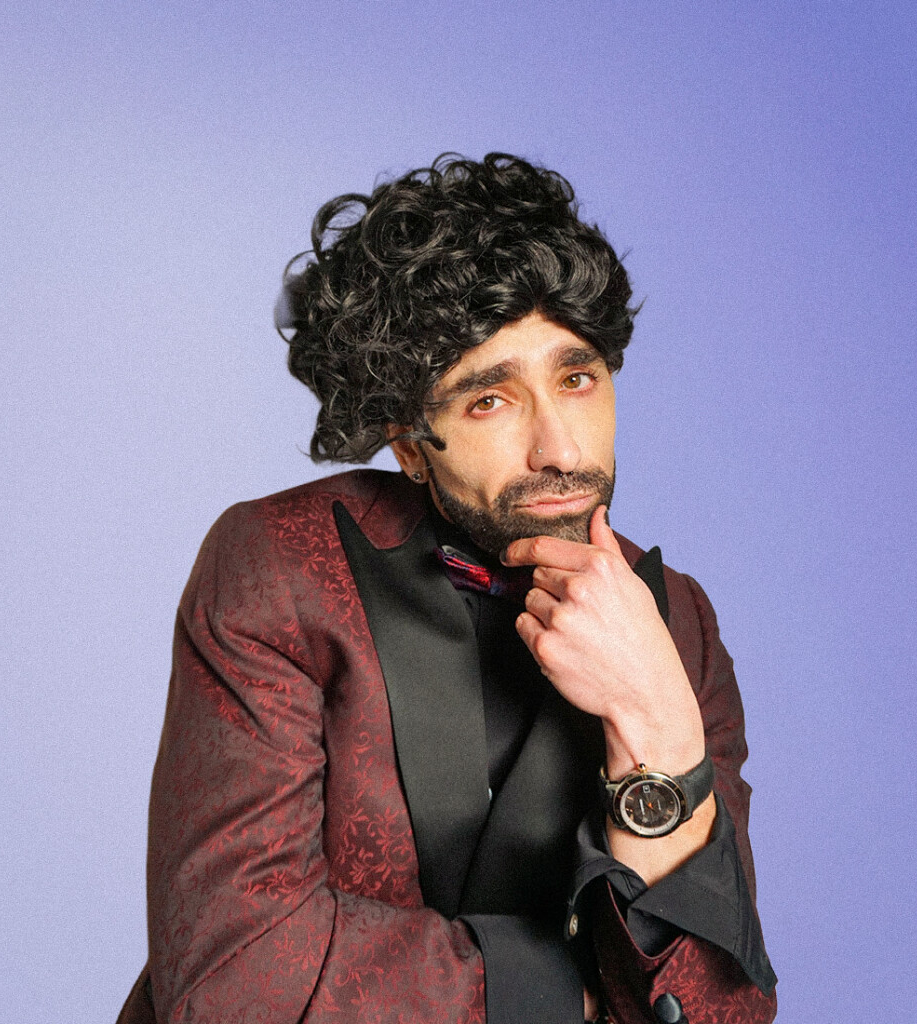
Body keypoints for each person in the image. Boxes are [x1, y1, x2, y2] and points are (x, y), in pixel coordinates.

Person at [117, 153, 777, 1024]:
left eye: (577, 379)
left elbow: (718, 1008)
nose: (559, 448)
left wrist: (654, 722)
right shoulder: (280, 566)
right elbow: (237, 980)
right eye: (489, 401)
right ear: (408, 443)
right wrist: (576, 998)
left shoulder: (678, 623)